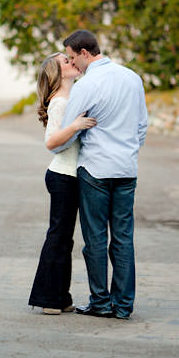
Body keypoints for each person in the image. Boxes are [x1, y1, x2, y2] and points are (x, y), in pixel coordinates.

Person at [51, 29, 148, 320]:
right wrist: (128, 150)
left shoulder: (86, 84)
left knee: (94, 238)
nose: (72, 64)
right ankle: (123, 306)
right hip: (126, 168)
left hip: (94, 169)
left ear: (84, 53)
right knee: (123, 237)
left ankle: (101, 302)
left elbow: (67, 134)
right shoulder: (133, 78)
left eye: (71, 57)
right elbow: (142, 126)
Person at [28, 52, 97, 315]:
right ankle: (48, 299)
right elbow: (51, 142)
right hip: (62, 177)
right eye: (66, 62)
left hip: (70, 176)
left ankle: (60, 297)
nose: (72, 63)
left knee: (63, 238)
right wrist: (77, 125)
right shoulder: (59, 102)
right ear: (57, 73)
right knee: (58, 236)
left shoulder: (71, 97)